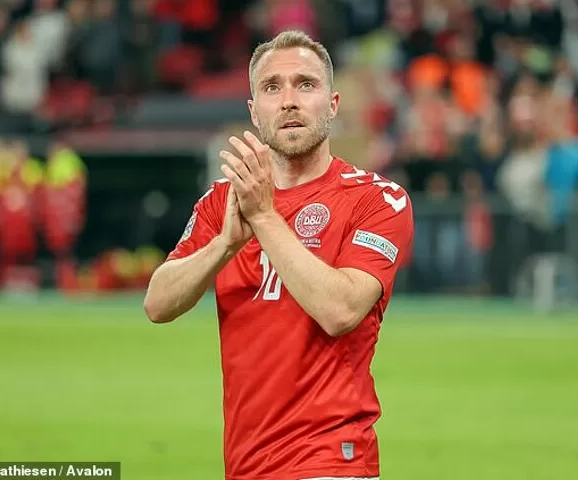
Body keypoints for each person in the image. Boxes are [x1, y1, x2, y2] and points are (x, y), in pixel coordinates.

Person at [144, 30, 414, 480]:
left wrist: (264, 217)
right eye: (272, 87)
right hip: (245, 462)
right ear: (254, 111)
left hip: (331, 460)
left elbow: (341, 310)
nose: (289, 101)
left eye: (305, 84)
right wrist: (224, 245)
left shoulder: (377, 200)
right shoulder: (222, 202)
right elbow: (157, 304)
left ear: (332, 104)